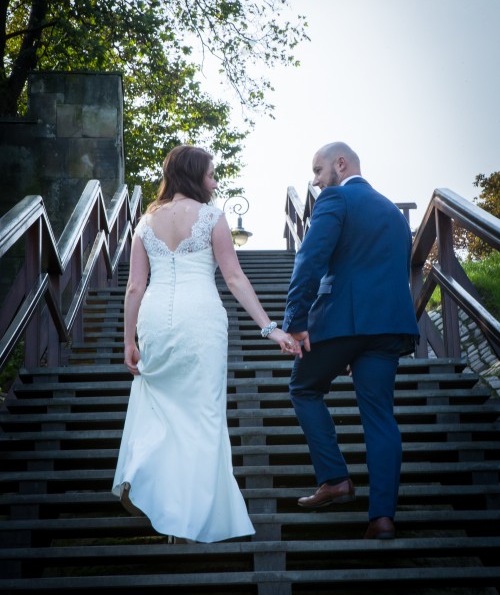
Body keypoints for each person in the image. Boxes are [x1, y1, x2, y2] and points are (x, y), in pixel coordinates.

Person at [112, 144, 300, 544]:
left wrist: (129, 339)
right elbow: (234, 278)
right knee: (203, 415)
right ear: (194, 174)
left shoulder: (145, 222)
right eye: (211, 175)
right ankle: (190, 514)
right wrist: (270, 328)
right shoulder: (212, 217)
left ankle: (157, 493)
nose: (214, 183)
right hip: (200, 321)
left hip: (155, 321)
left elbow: (135, 287)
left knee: (162, 411)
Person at [282, 141, 419, 540]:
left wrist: (296, 320)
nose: (315, 181)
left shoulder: (335, 200)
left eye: (318, 170)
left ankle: (334, 478)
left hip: (341, 321)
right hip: (389, 326)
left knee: (303, 388)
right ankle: (382, 518)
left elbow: (310, 259)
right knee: (380, 415)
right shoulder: (393, 212)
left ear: (340, 164)